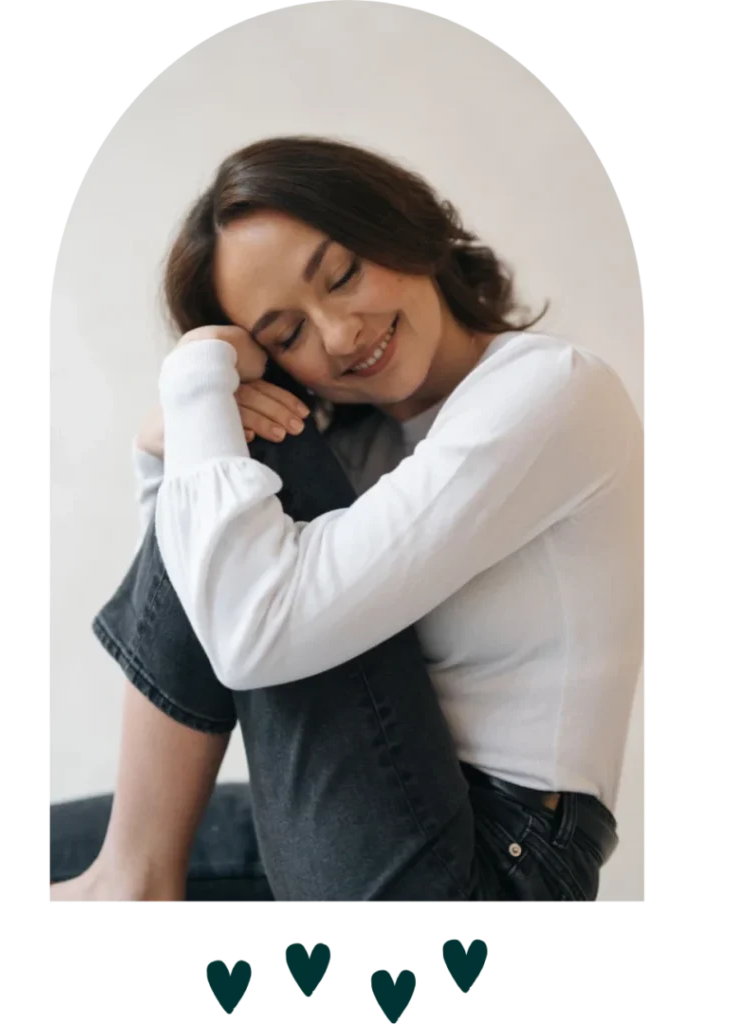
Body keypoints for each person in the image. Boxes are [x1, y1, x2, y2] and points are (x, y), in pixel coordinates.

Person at [44, 135, 646, 904]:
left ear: (399, 225)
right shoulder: (354, 449)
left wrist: (196, 379)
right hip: (379, 808)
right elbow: (197, 610)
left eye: (341, 275)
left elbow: (253, 634)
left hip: (496, 864)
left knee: (248, 458)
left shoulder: (550, 392)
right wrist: (165, 447)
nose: (339, 334)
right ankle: (126, 874)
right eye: (286, 336)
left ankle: (132, 879)